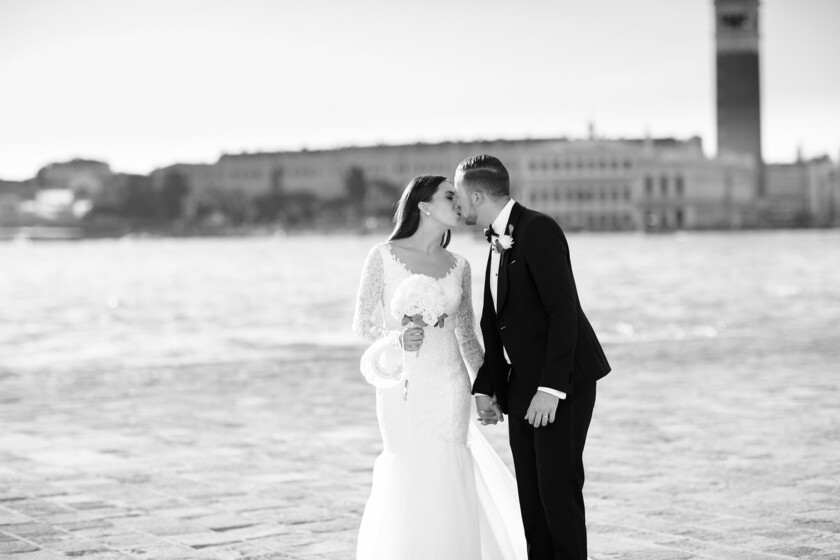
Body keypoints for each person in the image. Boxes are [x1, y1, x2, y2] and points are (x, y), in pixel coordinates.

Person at [352, 175, 526, 560]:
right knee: (405, 467)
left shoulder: (460, 265)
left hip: (449, 385)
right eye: (450, 195)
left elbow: (467, 335)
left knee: (449, 471)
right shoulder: (381, 256)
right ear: (425, 206)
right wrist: (398, 338)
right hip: (403, 387)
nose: (458, 200)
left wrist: (487, 390)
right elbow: (362, 323)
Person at [455, 155, 611, 560]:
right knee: (531, 494)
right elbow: (496, 323)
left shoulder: (538, 229)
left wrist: (551, 388)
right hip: (521, 383)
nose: (457, 205)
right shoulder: (495, 239)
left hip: (563, 380)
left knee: (557, 491)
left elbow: (564, 311)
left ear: (476, 194)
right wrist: (487, 387)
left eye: (459, 196)